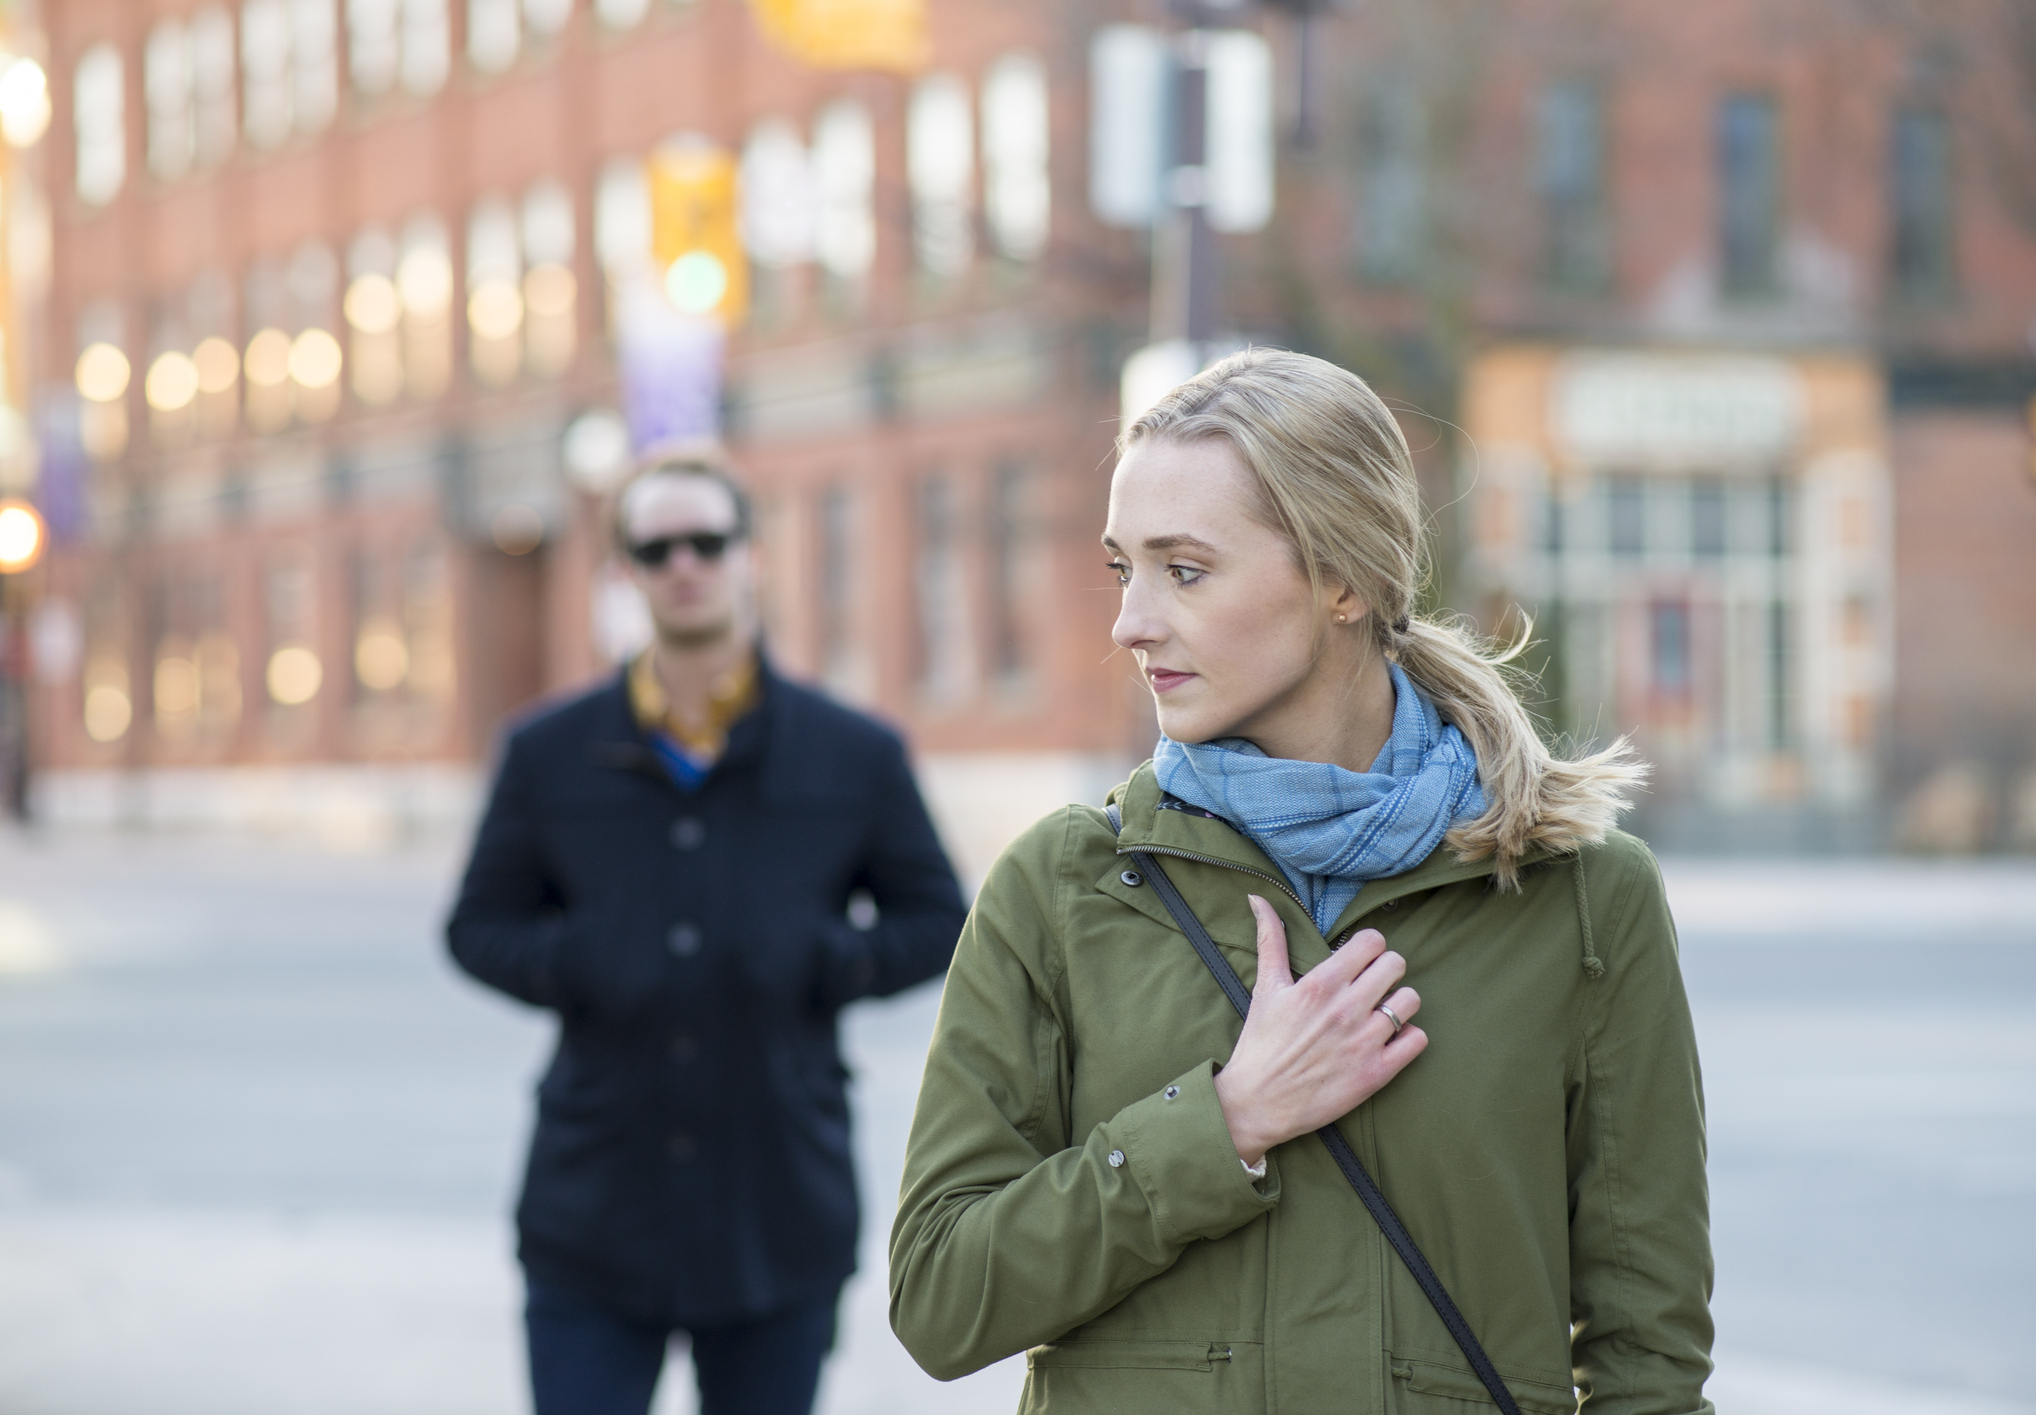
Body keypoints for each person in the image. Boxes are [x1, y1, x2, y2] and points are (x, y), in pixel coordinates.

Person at [890, 350, 1712, 1413]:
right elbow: (941, 1296)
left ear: (1344, 578)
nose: (1129, 622)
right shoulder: (1061, 885)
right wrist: (1222, 1122)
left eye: (1182, 570)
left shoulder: (1584, 897)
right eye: (1121, 569)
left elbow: (1648, 1352)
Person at [448, 447, 966, 1415]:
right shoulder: (546, 751)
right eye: (654, 547)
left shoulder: (852, 751)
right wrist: (582, 960)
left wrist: (824, 959)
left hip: (778, 1207)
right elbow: (478, 925)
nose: (683, 563)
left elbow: (938, 916)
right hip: (591, 1207)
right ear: (625, 574)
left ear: (750, 558)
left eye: (706, 540)